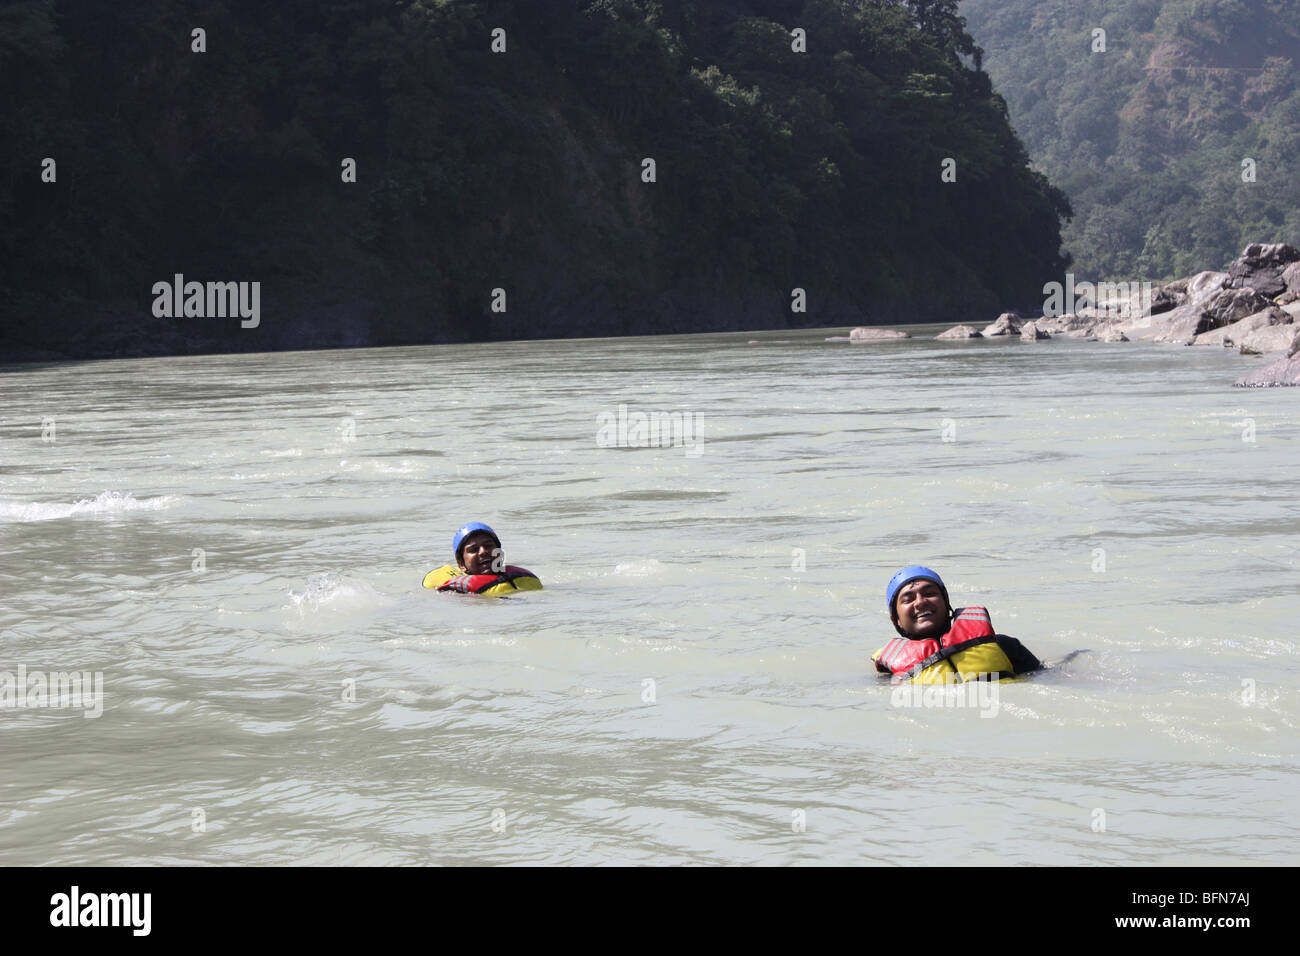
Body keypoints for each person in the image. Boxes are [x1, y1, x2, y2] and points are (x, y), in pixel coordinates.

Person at [871, 565, 1040, 682]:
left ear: (946, 604)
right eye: (908, 599)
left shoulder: (1003, 645)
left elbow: (1044, 678)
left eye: (929, 593)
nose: (920, 602)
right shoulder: (891, 671)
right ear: (896, 620)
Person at [422, 522, 542, 596]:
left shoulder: (524, 580)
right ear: (461, 563)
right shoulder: (457, 589)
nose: (483, 552)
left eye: (488, 546)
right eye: (473, 549)